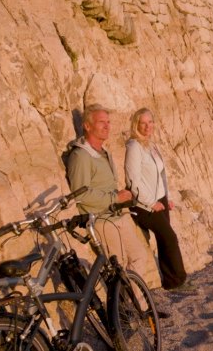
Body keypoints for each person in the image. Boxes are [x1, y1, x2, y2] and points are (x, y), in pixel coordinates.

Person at [65, 103, 158, 287]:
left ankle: (136, 304)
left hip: (118, 215)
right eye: (101, 122)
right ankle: (124, 310)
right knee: (118, 267)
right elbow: (80, 195)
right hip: (102, 220)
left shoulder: (103, 152)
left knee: (139, 256)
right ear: (87, 126)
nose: (107, 126)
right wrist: (115, 198)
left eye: (108, 122)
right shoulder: (81, 156)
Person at [124, 108, 188, 290]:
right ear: (136, 125)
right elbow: (133, 181)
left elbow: (161, 175)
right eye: (143, 123)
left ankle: (170, 281)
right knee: (170, 237)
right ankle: (179, 280)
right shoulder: (134, 147)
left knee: (163, 239)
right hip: (144, 205)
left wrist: (165, 198)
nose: (147, 127)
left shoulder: (150, 145)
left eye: (150, 122)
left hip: (160, 198)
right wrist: (151, 203)